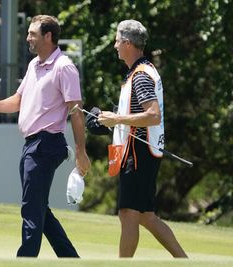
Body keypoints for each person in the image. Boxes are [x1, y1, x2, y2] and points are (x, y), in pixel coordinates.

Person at [0, 15, 91, 257]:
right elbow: (18, 101)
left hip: (47, 144)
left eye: (32, 33)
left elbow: (76, 111)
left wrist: (81, 151)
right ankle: (70, 259)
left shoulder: (64, 66)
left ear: (48, 36)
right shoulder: (34, 64)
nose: (28, 38)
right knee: (39, 208)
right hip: (32, 145)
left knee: (31, 208)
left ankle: (25, 259)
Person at [97, 19, 188, 258]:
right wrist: (113, 120)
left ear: (127, 43)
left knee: (128, 213)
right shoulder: (140, 71)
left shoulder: (140, 75)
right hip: (143, 151)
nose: (115, 45)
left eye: (117, 40)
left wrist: (116, 119)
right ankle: (185, 262)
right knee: (146, 216)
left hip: (138, 152)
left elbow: (152, 115)